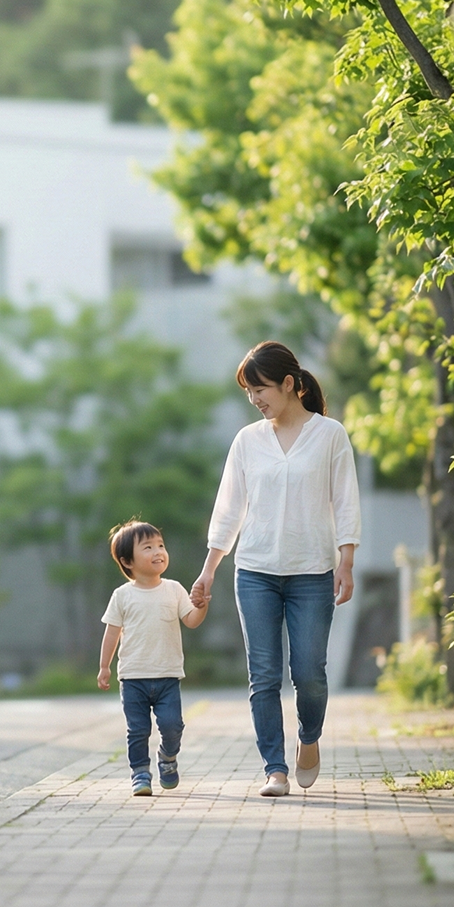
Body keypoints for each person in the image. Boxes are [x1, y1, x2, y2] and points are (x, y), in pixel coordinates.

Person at [191, 341, 360, 798]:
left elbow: (345, 500)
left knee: (309, 672)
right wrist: (208, 571)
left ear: (290, 384)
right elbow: (229, 510)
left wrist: (347, 559)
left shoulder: (330, 435)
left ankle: (309, 737)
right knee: (263, 675)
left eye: (260, 388)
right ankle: (275, 768)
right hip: (255, 570)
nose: (255, 399)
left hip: (312, 571)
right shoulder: (248, 440)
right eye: (248, 391)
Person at [98, 519, 208, 796]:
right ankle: (140, 773)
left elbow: (192, 621)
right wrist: (104, 667)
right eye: (148, 547)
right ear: (127, 561)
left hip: (168, 675)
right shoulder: (122, 595)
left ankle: (167, 759)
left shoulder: (174, 589)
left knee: (173, 726)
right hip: (133, 676)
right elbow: (112, 633)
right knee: (137, 730)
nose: (158, 551)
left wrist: (201, 607)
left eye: (160, 545)